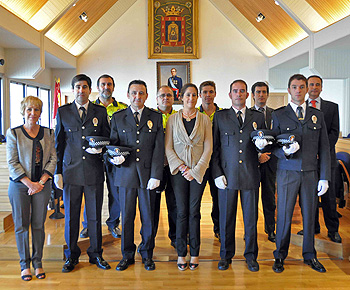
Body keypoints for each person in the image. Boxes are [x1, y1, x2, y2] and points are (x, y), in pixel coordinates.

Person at [271, 74, 331, 273]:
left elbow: (324, 148)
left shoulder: (317, 115)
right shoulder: (279, 115)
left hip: (310, 174)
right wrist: (284, 152)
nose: (298, 90)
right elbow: (273, 147)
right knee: (285, 216)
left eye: (302, 87)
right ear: (289, 90)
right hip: (287, 173)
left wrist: (324, 176)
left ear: (307, 90)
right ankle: (280, 255)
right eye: (294, 87)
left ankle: (309, 255)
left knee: (309, 217)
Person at [55, 74, 111, 272]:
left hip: (94, 170)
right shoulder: (63, 113)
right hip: (70, 172)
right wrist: (57, 172)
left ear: (90, 90)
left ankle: (96, 254)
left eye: (85, 87)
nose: (81, 90)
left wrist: (102, 149)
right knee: (71, 216)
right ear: (73, 90)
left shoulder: (100, 111)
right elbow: (58, 144)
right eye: (77, 87)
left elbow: (107, 137)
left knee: (95, 215)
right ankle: (72, 256)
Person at [109, 80, 164, 271]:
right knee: (127, 217)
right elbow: (113, 144)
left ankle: (147, 254)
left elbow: (159, 148)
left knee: (148, 217)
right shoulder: (118, 117)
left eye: (141, 93)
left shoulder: (155, 117)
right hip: (125, 175)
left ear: (146, 96)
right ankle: (127, 255)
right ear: (128, 95)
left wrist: (157, 174)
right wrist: (114, 158)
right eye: (134, 93)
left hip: (148, 175)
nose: (137, 97)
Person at [212, 79, 266, 272]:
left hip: (250, 174)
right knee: (226, 219)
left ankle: (251, 256)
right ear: (229, 95)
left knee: (251, 220)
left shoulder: (257, 117)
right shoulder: (220, 117)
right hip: (227, 176)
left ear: (247, 95)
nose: (239, 94)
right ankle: (226, 255)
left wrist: (263, 151)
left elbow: (264, 141)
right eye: (235, 91)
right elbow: (215, 148)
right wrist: (217, 173)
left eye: (242, 91)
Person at [6, 96, 57, 281]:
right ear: (23, 111)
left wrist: (41, 182)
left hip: (41, 185)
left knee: (38, 225)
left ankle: (37, 263)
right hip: (20, 186)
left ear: (40, 113)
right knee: (21, 226)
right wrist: (30, 184)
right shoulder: (14, 133)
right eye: (29, 109)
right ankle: (24, 265)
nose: (32, 113)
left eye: (36, 110)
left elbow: (53, 159)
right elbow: (12, 163)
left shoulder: (48, 133)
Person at [165, 83, 213, 271]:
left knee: (194, 212)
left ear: (198, 97)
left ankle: (195, 253)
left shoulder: (205, 119)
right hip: (179, 172)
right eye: (187, 95)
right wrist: (183, 167)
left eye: (194, 95)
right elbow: (168, 146)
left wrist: (195, 170)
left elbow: (208, 147)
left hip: (198, 173)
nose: (191, 99)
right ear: (182, 97)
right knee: (181, 212)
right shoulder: (172, 119)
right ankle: (180, 254)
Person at [80, 74, 127, 239]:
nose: (106, 87)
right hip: (95, 157)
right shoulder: (89, 108)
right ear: (97, 88)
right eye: (103, 84)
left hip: (115, 157)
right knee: (92, 192)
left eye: (109, 84)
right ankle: (88, 225)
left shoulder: (123, 108)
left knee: (116, 192)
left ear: (113, 87)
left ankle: (114, 224)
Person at [295, 75, 342, 243]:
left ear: (321, 87)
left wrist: (320, 150)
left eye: (317, 84)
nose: (314, 87)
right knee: (308, 195)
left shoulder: (332, 107)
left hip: (326, 159)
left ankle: (333, 230)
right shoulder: (300, 107)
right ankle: (312, 227)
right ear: (307, 87)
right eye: (311, 84)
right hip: (307, 160)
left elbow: (334, 132)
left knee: (329, 197)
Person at [250, 81, 277, 242]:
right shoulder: (248, 114)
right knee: (251, 199)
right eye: (258, 92)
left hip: (270, 162)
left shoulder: (275, 114)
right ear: (253, 95)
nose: (261, 95)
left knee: (269, 198)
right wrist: (257, 156)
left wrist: (269, 154)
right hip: (253, 163)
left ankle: (270, 229)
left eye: (264, 92)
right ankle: (251, 231)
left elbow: (278, 137)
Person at [154, 85, 177, 248]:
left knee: (174, 204)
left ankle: (176, 237)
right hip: (155, 168)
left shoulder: (180, 116)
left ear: (173, 98)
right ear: (156, 98)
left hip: (174, 167)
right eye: (162, 95)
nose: (165, 98)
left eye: (169, 95)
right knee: (152, 206)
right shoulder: (150, 116)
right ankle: (150, 237)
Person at [198, 80, 221, 241]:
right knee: (194, 199)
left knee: (219, 199)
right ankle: (192, 231)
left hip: (218, 163)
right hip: (199, 163)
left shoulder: (223, 114)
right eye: (204, 92)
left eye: (210, 91)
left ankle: (219, 228)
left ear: (215, 93)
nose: (208, 95)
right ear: (200, 95)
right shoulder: (194, 114)